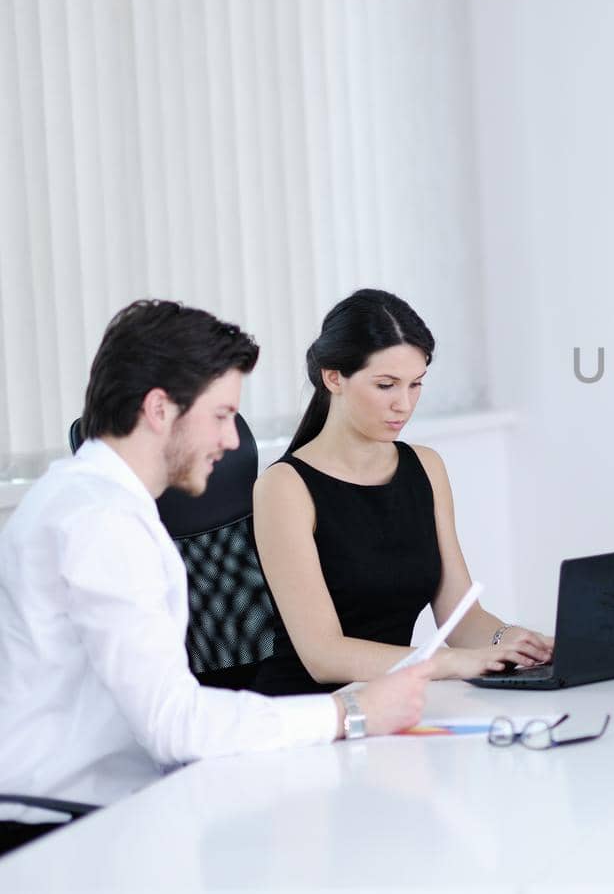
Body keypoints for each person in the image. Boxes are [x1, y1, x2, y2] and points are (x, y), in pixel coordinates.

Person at [0, 301, 431, 856]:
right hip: (69, 831)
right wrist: (351, 713)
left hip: (117, 808)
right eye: (221, 414)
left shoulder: (93, 500)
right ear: (160, 409)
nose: (233, 441)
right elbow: (174, 723)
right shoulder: (98, 521)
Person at [251, 289, 551, 695]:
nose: (404, 405)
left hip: (390, 700)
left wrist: (514, 643)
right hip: (312, 713)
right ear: (333, 377)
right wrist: (446, 662)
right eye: (386, 385)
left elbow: (460, 619)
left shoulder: (426, 467)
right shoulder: (284, 487)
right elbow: (324, 656)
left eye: (415, 385)